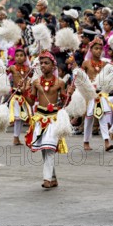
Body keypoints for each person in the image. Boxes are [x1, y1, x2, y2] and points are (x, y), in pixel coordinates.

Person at [24, 51, 72, 189]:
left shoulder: (60, 83)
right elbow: (31, 101)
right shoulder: (36, 82)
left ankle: (46, 179)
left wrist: (69, 94)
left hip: (53, 119)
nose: (43, 65)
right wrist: (24, 91)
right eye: (41, 63)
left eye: (46, 63)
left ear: (53, 66)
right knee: (45, 149)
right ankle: (53, 177)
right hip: (39, 118)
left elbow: (65, 103)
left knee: (49, 148)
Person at [81, 37, 113, 152]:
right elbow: (80, 78)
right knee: (89, 118)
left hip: (101, 94)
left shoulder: (105, 64)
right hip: (90, 94)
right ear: (91, 50)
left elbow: (111, 76)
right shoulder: (86, 63)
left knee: (102, 117)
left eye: (100, 49)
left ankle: (106, 142)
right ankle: (86, 141)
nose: (98, 51)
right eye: (96, 48)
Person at [6, 47, 32, 145]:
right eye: (17, 56)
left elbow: (32, 77)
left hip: (25, 96)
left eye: (21, 55)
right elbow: (5, 73)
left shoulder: (28, 69)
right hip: (16, 96)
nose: (19, 58)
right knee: (17, 118)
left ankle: (17, 137)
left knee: (21, 118)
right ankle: (15, 138)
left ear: (25, 58)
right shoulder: (12, 67)